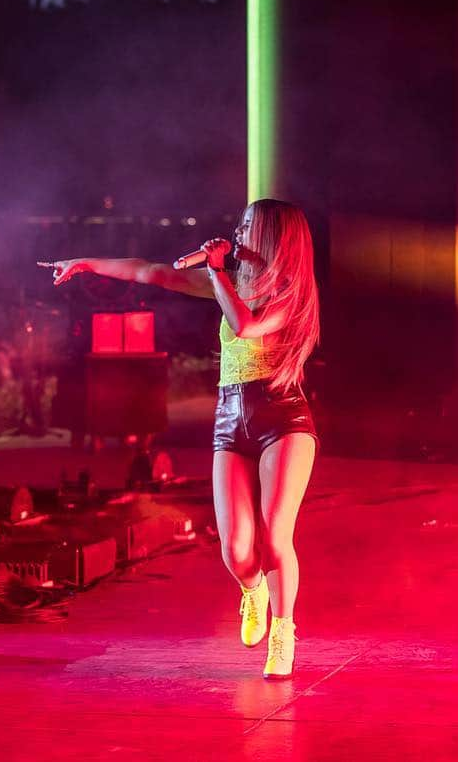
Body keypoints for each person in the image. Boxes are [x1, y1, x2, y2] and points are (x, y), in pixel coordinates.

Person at [40, 198, 320, 679]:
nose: (238, 231)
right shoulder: (228, 283)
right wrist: (87, 263)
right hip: (231, 418)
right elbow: (154, 273)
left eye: (249, 226)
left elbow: (246, 326)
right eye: (240, 223)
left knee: (276, 536)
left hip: (284, 419)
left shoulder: (292, 293)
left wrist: (216, 272)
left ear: (274, 237)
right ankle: (252, 591)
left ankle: (283, 630)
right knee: (235, 550)